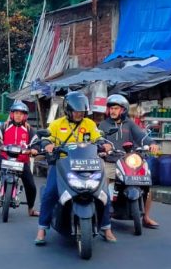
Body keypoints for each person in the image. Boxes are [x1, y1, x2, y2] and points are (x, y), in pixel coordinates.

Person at [35, 92, 113, 245]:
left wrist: (105, 143)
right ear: (68, 110)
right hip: (62, 165)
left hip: (87, 165)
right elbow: (46, 138)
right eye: (76, 111)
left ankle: (106, 227)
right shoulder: (57, 124)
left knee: (104, 194)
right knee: (50, 193)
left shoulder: (89, 124)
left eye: (82, 112)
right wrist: (47, 145)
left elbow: (98, 138)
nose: (79, 114)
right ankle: (42, 229)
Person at [99, 94, 161, 229]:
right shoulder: (103, 125)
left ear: (123, 110)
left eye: (116, 108)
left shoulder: (129, 124)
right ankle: (102, 217)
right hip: (110, 162)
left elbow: (142, 137)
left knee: (147, 185)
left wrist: (152, 144)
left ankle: (146, 217)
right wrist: (103, 146)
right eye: (111, 108)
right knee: (102, 187)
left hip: (128, 161)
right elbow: (99, 139)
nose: (113, 111)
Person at [0, 101, 39, 216]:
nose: (18, 115)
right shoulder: (4, 126)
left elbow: (35, 143)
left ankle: (31, 209)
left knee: (31, 186)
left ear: (25, 116)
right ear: (12, 114)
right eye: (16, 113)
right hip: (4, 157)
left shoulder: (29, 130)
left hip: (21, 161)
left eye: (21, 113)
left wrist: (34, 149)